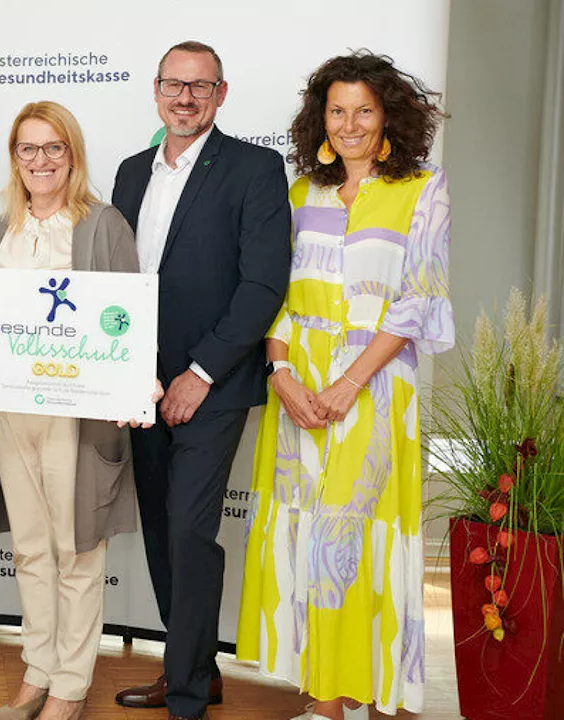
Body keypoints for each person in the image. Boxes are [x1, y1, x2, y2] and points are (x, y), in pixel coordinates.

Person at [236, 51, 451, 720]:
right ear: (320, 119)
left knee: (361, 536)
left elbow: (418, 300)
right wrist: (283, 372)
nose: (351, 123)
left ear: (388, 114)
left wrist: (349, 384)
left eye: (364, 109)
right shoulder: (302, 194)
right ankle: (325, 699)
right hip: (298, 390)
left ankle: (383, 689)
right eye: (338, 110)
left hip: (378, 391)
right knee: (308, 535)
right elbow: (275, 295)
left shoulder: (422, 188)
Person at [0, 101, 150, 720]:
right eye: (28, 149)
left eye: (53, 148)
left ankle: (70, 683)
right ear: (15, 158)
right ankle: (37, 670)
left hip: (77, 418)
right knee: (32, 548)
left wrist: (131, 387)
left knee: (77, 549)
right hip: (10, 415)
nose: (41, 161)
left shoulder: (103, 224)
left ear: (73, 155)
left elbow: (128, 321)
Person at [110, 41, 292, 720]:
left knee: (189, 533)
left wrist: (200, 372)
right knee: (159, 529)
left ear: (220, 94)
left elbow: (263, 283)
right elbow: (117, 284)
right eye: (173, 85)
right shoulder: (130, 173)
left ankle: (185, 696)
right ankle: (193, 667)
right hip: (138, 387)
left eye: (199, 86)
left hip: (211, 386)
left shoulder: (254, 168)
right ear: (156, 91)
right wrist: (124, 373)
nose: (184, 98)